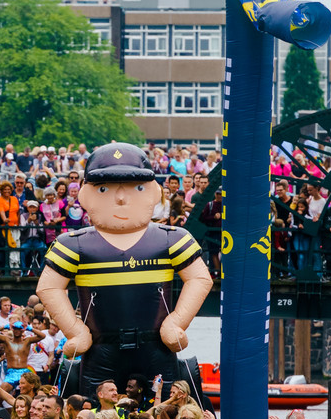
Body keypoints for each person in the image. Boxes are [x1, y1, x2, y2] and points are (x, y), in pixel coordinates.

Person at [38, 142, 213, 395]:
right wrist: (75, 331)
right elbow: (48, 287)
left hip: (154, 345)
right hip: (101, 348)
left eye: (136, 188)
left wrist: (176, 322)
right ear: (85, 196)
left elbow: (200, 279)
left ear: (153, 193)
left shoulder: (172, 239)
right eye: (105, 189)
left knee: (166, 409)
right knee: (93, 409)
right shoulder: (73, 244)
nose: (120, 198)